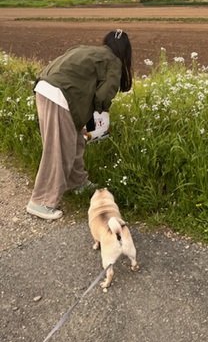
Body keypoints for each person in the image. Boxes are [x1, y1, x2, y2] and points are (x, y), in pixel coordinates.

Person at [26, 29, 132, 220]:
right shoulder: (113, 61)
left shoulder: (89, 50)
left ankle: (77, 182)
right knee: (58, 148)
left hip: (46, 88)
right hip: (60, 95)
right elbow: (104, 95)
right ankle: (40, 201)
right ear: (125, 51)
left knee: (74, 140)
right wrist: (100, 117)